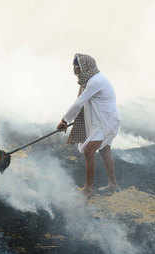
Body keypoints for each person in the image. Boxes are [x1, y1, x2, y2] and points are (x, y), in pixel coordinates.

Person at [57, 53, 120, 198]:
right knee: (104, 150)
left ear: (84, 66)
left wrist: (64, 121)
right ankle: (113, 185)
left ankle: (88, 189)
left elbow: (79, 103)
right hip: (103, 121)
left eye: (76, 65)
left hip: (106, 123)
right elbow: (83, 103)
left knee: (88, 151)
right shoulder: (90, 80)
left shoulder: (95, 81)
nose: (74, 68)